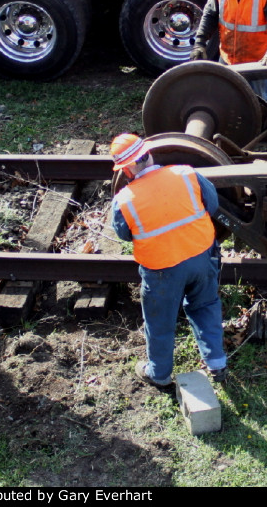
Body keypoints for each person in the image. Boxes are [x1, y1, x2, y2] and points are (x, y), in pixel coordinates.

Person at [109, 134, 228, 388]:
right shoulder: (186, 174)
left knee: (160, 321)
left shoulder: (124, 200)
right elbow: (213, 203)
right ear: (149, 154)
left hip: (162, 269)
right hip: (201, 255)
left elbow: (123, 233)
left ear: (127, 168)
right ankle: (217, 363)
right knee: (205, 304)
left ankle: (160, 375)